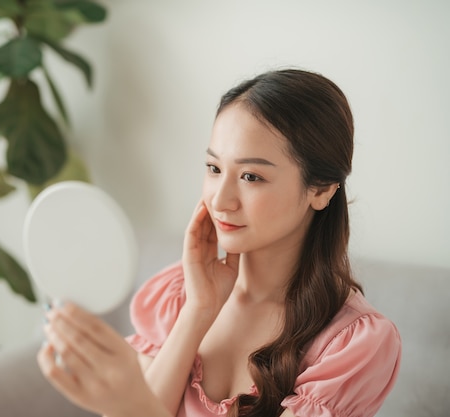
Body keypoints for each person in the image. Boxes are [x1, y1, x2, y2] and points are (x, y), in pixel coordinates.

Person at [37, 68, 402, 417]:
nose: (220, 199)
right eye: (214, 168)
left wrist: (131, 402)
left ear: (320, 189)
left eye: (251, 176)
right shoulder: (178, 295)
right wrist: (198, 311)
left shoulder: (354, 344)